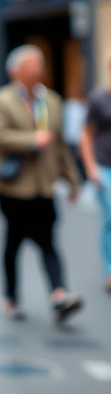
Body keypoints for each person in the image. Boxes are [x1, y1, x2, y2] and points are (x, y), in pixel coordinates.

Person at [0, 45, 83, 322]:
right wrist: (30, 140)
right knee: (14, 239)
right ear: (15, 71)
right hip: (12, 186)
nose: (37, 70)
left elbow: (61, 143)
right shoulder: (0, 100)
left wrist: (72, 179)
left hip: (44, 186)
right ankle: (11, 297)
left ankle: (59, 293)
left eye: (40, 65)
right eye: (31, 66)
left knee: (48, 239)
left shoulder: (51, 101)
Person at [78, 56, 111, 294]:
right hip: (105, 166)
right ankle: (109, 270)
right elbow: (86, 135)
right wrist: (91, 168)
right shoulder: (99, 99)